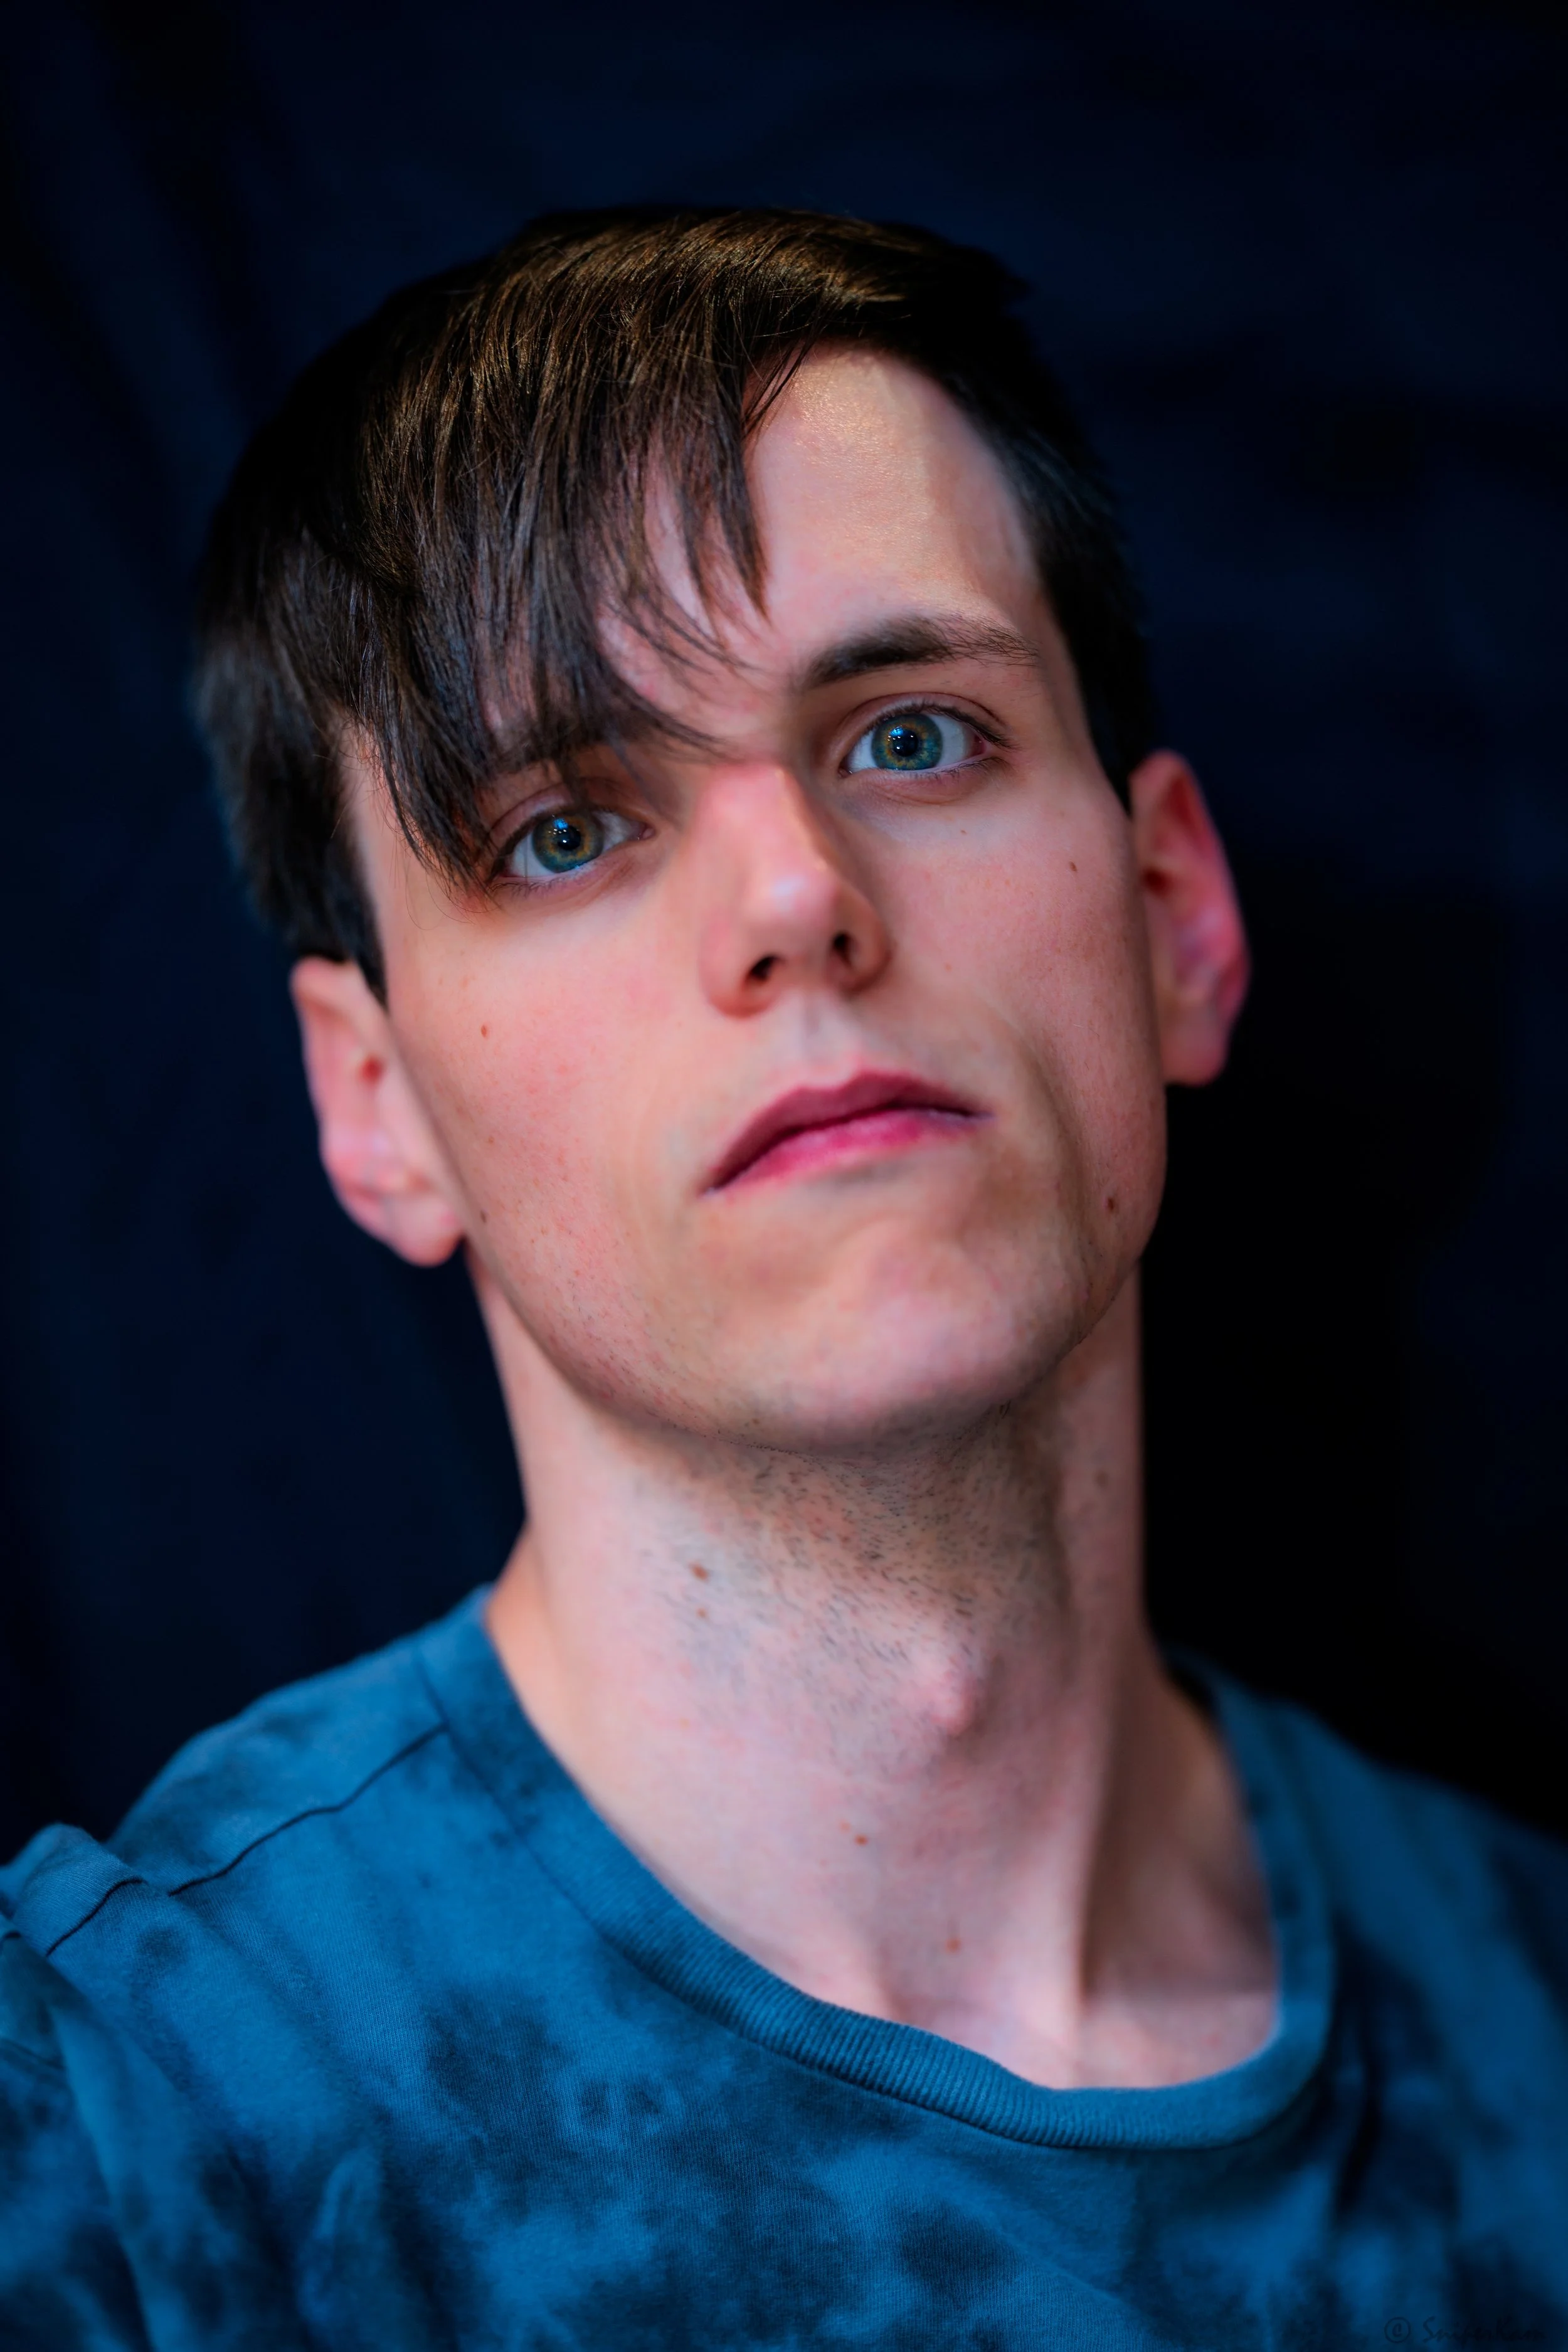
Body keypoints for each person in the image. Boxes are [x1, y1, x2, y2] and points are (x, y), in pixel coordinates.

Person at [1, 207, 1564, 2350]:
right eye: (565, 825)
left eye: (912, 734)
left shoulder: (1536, 2013)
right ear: (378, 1107)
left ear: (1172, 911)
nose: (799, 899)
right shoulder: (127, 2126)